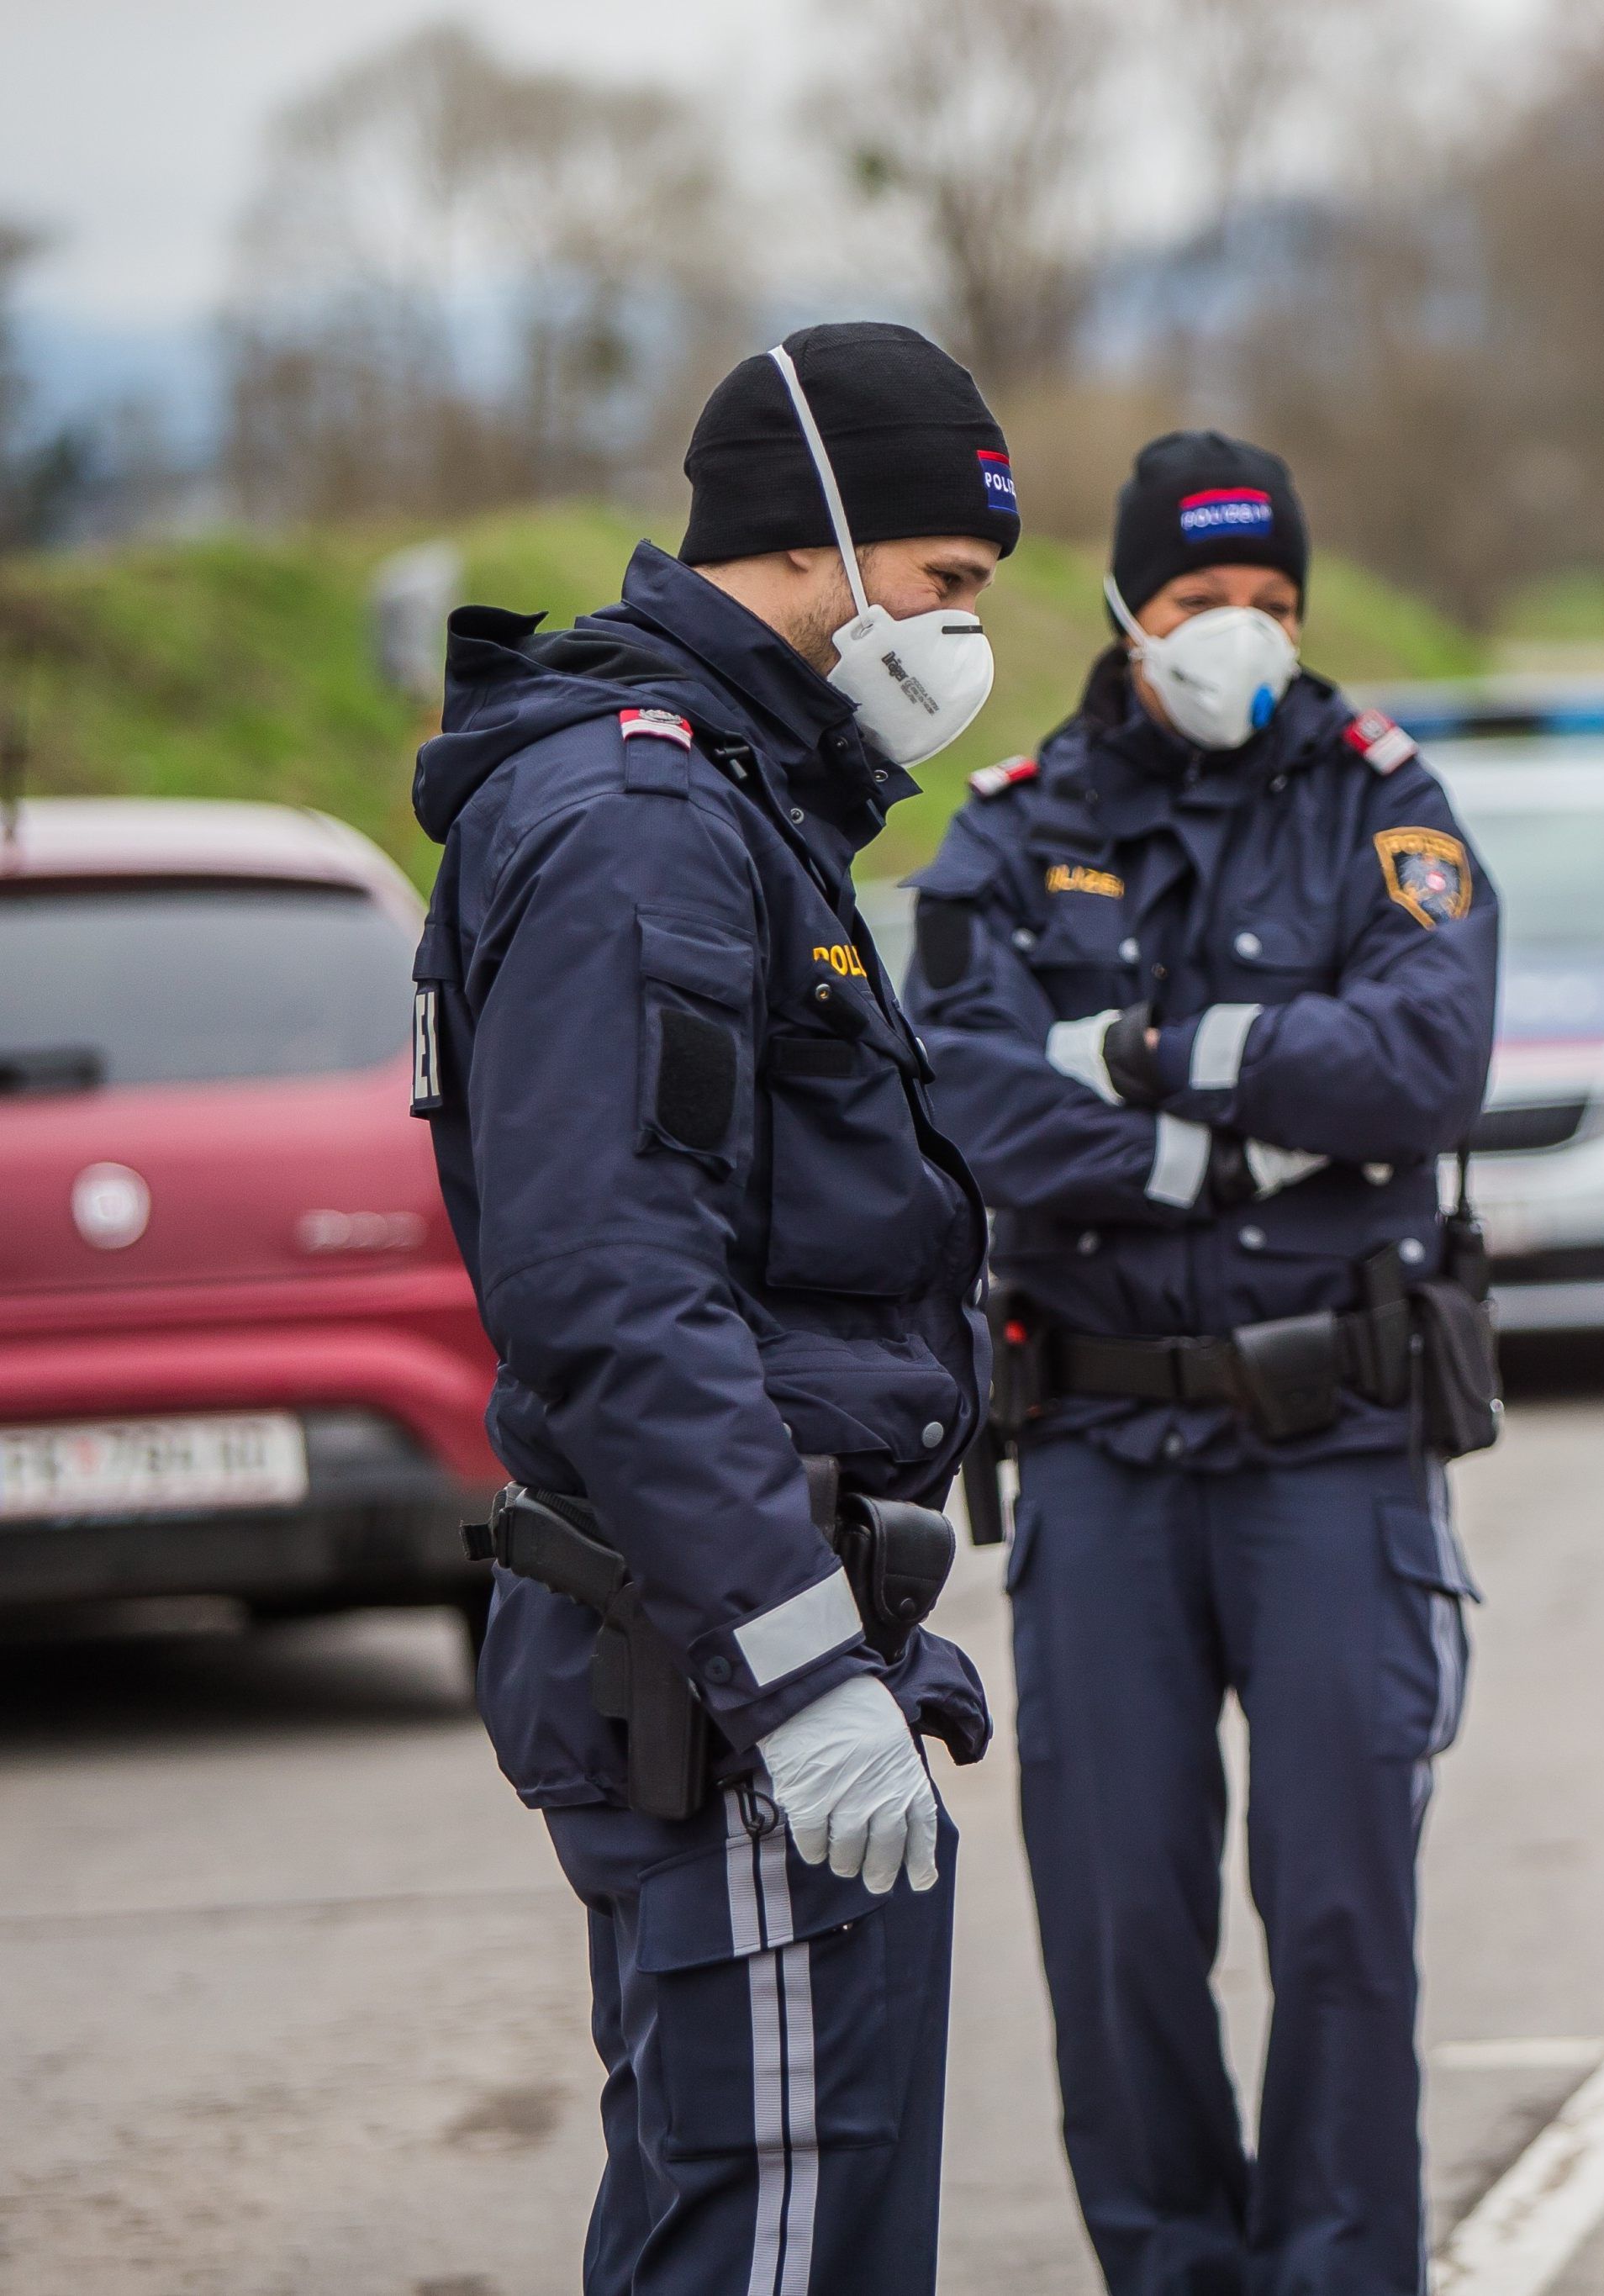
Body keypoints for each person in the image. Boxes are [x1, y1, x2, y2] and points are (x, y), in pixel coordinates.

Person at [409, 320, 1019, 2295]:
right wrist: (799, 1667)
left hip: (759, 1647)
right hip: (725, 1675)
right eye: (943, 588)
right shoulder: (645, 824)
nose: (955, 640)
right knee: (766, 2239)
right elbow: (613, 1283)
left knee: (789, 2227)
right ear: (811, 545)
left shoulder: (740, 803)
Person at [905, 430, 1501, 2295]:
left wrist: (1156, 1064)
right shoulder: (1015, 831)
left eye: (1271, 604)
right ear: (1124, 612)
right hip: (1097, 1447)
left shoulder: (1381, 801)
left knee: (1339, 1919)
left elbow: (1427, 1066)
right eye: (1198, 604)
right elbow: (978, 1113)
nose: (1238, 634)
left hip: (1334, 1444)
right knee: (1117, 1928)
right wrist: (1264, 1113)